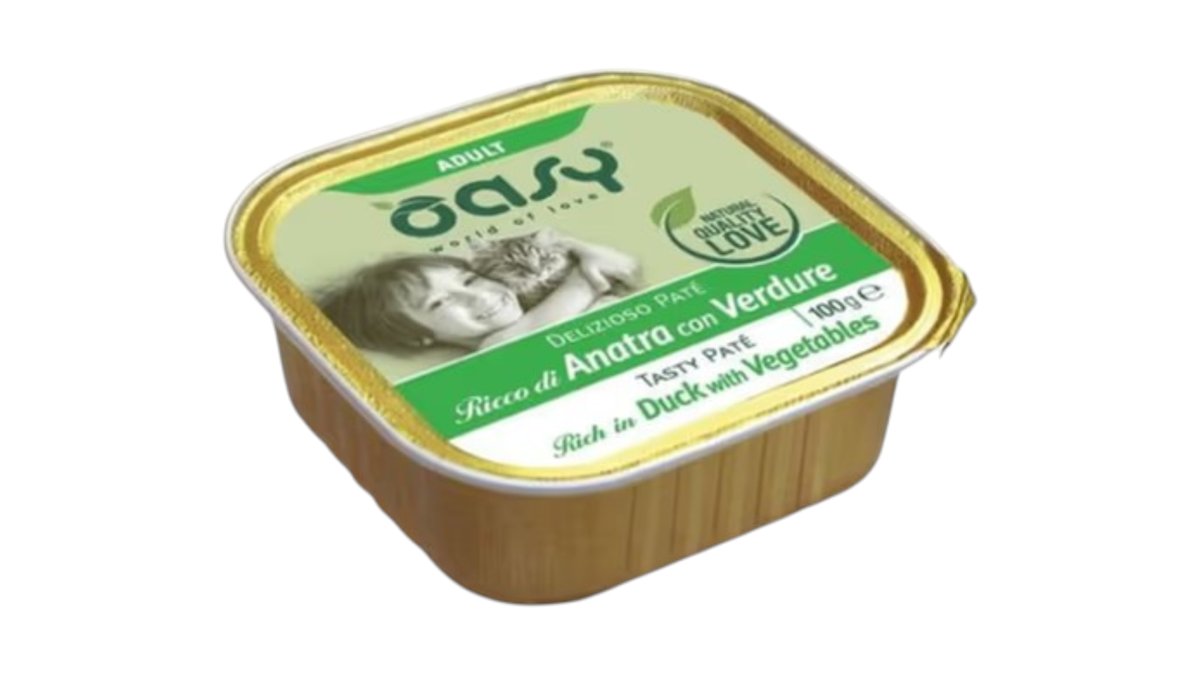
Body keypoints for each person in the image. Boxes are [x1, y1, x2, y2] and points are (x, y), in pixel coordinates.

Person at [317, 237, 637, 353]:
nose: (479, 297)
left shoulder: (543, 297)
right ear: (416, 337)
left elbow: (624, 265)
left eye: (469, 280)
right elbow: (596, 280)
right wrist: (588, 267)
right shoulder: (495, 349)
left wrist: (581, 250)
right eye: (439, 302)